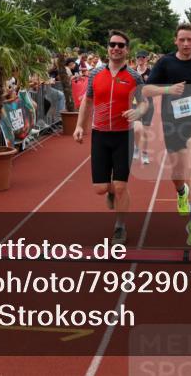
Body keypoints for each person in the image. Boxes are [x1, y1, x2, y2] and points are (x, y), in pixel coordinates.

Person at [143, 23, 191, 246]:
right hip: (172, 123)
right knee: (177, 172)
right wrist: (168, 89)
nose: (186, 43)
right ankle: (181, 191)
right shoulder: (165, 63)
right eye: (182, 39)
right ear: (175, 41)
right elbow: (146, 89)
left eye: (189, 39)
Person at [73, 30, 148, 245]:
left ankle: (120, 226)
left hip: (124, 136)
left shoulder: (134, 76)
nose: (116, 48)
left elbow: (145, 103)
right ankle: (111, 192)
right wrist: (79, 126)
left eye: (121, 45)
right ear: (107, 48)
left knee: (121, 186)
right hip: (100, 135)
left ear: (127, 50)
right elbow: (87, 101)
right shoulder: (95, 74)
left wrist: (137, 111)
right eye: (112, 44)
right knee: (101, 189)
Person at [132, 51, 154, 165]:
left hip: (148, 104)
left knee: (145, 132)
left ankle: (144, 153)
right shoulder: (132, 72)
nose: (140, 59)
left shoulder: (151, 72)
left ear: (146, 59)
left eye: (143, 57)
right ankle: (136, 147)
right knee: (136, 129)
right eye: (138, 57)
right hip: (135, 104)